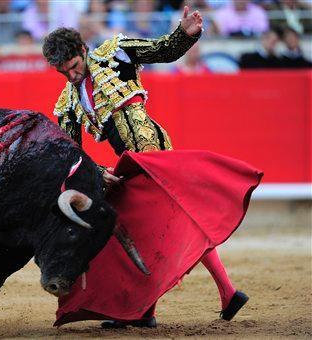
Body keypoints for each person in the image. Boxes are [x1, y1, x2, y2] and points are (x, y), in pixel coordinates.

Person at [42, 6, 249, 328]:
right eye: (62, 72)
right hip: (128, 167)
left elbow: (162, 50)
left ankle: (146, 310)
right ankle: (223, 293)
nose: (71, 76)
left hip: (155, 155)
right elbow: (72, 153)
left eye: (73, 66)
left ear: (83, 50)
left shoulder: (115, 54)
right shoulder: (66, 102)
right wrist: (97, 172)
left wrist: (186, 34)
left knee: (154, 228)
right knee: (173, 224)